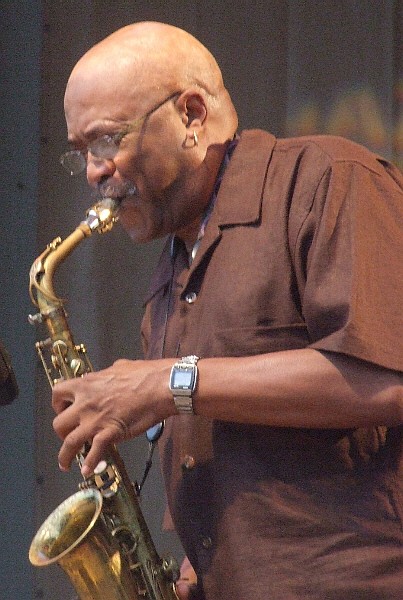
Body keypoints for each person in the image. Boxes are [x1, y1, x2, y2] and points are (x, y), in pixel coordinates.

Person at [52, 21, 403, 600]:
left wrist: (170, 382)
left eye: (108, 140)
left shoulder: (326, 177)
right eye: (81, 152)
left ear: (191, 114)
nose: (94, 170)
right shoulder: (171, 273)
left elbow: (386, 377)